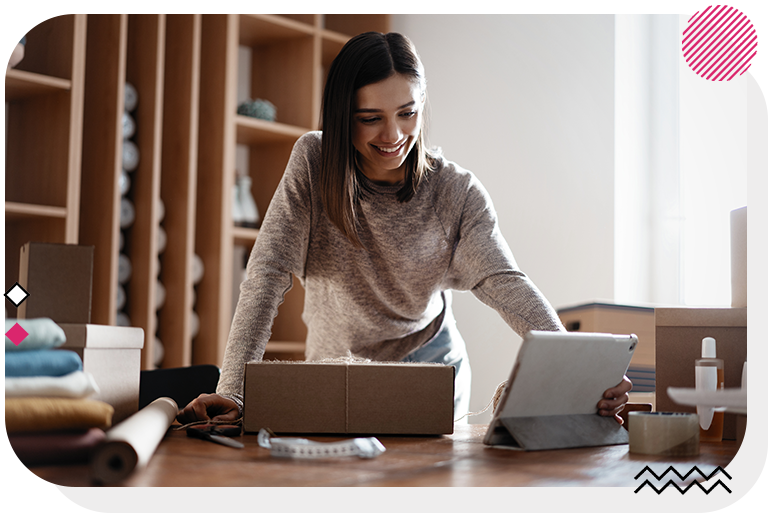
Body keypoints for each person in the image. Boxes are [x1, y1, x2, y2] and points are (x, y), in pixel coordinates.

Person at [177, 32, 631, 426]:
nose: (393, 134)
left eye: (407, 113)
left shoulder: (455, 191)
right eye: (370, 118)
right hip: (335, 367)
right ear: (342, 116)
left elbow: (504, 283)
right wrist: (234, 388)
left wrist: (579, 372)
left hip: (431, 371)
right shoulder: (313, 164)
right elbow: (267, 273)